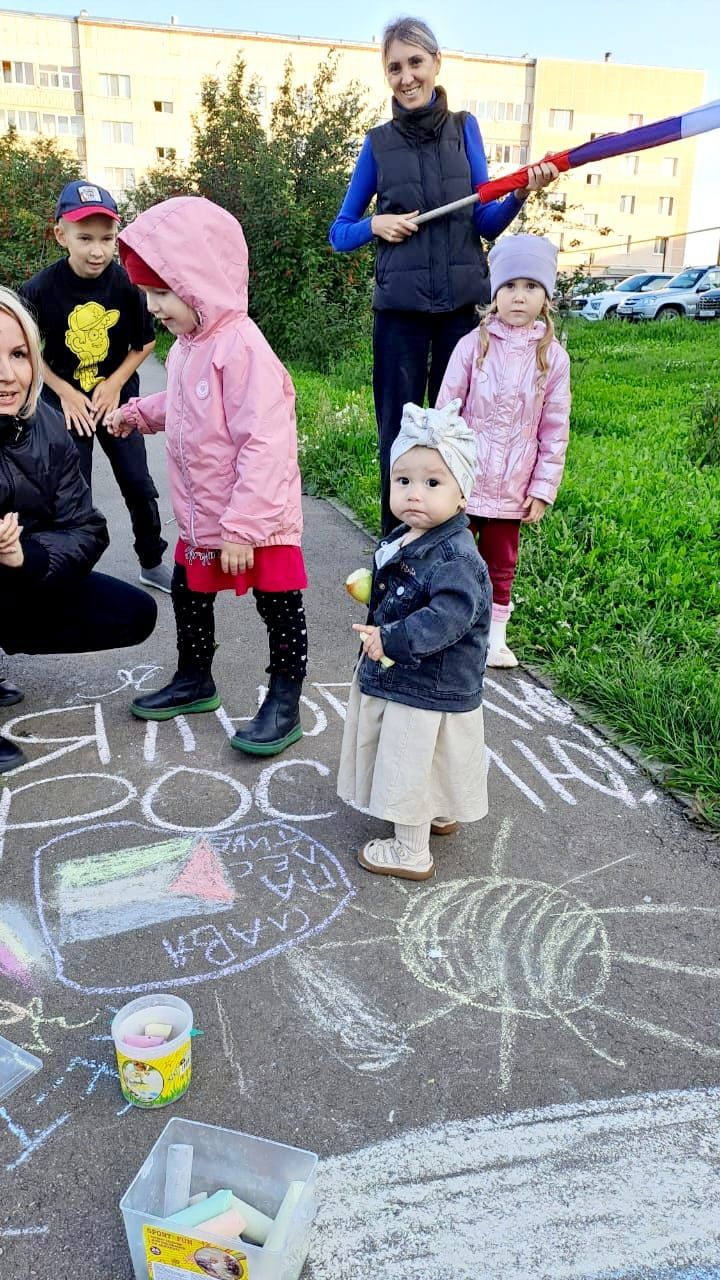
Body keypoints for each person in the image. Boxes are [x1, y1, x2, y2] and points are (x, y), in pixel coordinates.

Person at [329, 16, 559, 534]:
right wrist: (375, 224)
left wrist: (521, 192)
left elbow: (484, 220)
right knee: (400, 437)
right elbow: (339, 232)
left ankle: (454, 559)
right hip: (399, 316)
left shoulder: (465, 128)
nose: (406, 77)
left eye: (415, 63)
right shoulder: (377, 143)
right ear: (386, 74)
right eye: (395, 67)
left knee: (458, 433)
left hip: (460, 311)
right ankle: (394, 558)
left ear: (436, 63)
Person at [107, 196, 308, 757]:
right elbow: (185, 403)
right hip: (204, 515)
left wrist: (244, 527)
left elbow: (264, 443)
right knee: (188, 591)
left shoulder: (243, 348)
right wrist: (138, 413)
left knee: (278, 601)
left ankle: (285, 697)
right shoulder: (191, 346)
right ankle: (196, 678)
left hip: (255, 520)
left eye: (163, 293)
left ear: (203, 281)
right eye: (148, 294)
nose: (154, 308)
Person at [0, 287, 157, 774]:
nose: (8, 375)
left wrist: (26, 556)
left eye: (19, 355)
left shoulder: (47, 427)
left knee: (133, 613)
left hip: (15, 573)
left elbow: (85, 530)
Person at [337, 400, 490, 881]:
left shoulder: (456, 558)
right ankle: (440, 810)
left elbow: (447, 618)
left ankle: (409, 849)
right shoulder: (412, 536)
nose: (414, 495)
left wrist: (392, 641)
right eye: (402, 481)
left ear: (462, 494)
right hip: (423, 682)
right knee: (434, 754)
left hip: (423, 682)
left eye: (432, 483)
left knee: (408, 758)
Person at [19, 179, 172, 593]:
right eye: (84, 238)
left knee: (138, 482)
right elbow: (25, 352)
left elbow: (145, 343)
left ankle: (152, 559)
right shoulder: (39, 290)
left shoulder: (124, 284)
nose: (97, 250)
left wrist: (115, 384)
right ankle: (72, 567)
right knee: (72, 493)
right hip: (63, 405)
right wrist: (65, 391)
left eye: (107, 238)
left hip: (117, 401)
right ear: (60, 235)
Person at [436, 233, 571, 667]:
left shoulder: (553, 357)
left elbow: (555, 429)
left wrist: (543, 487)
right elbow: (447, 410)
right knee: (453, 554)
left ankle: (494, 637)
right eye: (510, 286)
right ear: (495, 294)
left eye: (531, 287)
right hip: (466, 481)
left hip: (514, 486)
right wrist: (443, 473)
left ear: (545, 298)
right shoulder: (473, 345)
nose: (519, 297)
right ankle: (448, 625)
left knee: (501, 564)